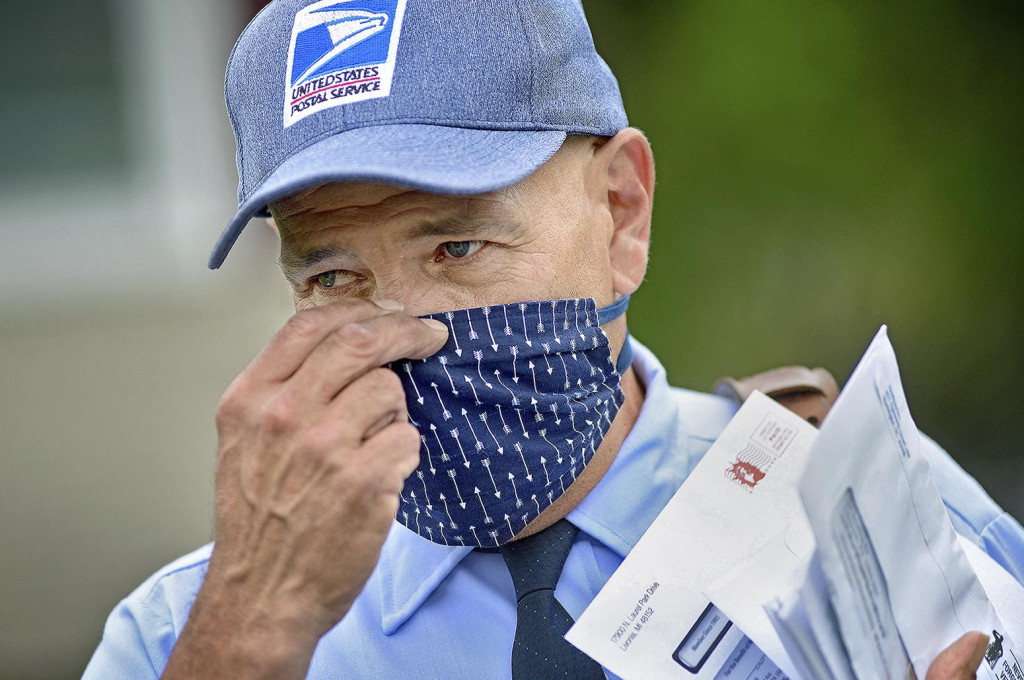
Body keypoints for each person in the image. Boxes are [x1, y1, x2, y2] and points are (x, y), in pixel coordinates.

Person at [83, 1, 1024, 678]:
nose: (404, 332)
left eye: (458, 244)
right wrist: (249, 635)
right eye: (333, 277)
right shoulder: (185, 633)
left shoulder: (877, 514)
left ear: (622, 212)